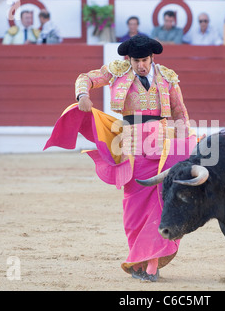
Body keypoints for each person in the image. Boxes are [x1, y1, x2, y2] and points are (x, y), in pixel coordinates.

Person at [44, 35, 196, 282]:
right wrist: (82, 95)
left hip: (161, 146)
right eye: (136, 61)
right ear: (129, 59)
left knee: (161, 201)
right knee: (134, 206)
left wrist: (186, 148)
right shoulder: (118, 72)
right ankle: (140, 257)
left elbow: (180, 113)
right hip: (132, 145)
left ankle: (151, 264)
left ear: (152, 58)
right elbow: (86, 78)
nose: (141, 66)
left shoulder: (168, 77)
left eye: (145, 60)